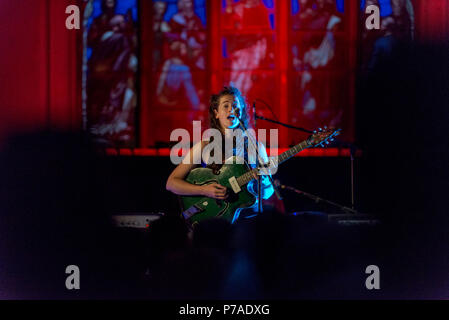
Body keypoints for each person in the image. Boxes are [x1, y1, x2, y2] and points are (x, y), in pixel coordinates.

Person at [166, 86, 274, 222]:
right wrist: (204, 190)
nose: (231, 109)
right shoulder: (205, 146)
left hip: (247, 220)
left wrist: (262, 185)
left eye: (235, 106)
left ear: (241, 112)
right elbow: (171, 183)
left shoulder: (256, 147)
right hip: (215, 221)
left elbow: (268, 192)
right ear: (216, 113)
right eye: (226, 106)